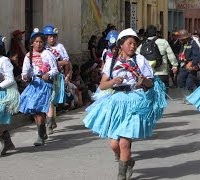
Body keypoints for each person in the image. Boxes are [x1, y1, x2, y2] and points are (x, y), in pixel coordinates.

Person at [83, 28, 165, 180]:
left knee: (124, 143)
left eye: (135, 43)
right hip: (116, 101)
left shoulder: (140, 60)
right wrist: (113, 81)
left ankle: (121, 175)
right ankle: (128, 161)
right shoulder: (112, 61)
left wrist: (144, 81)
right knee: (114, 145)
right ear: (121, 44)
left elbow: (150, 83)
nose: (133, 46)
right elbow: (102, 86)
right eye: (130, 43)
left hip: (135, 101)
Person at [19, 28, 58, 146]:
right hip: (33, 84)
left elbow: (55, 69)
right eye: (36, 41)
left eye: (41, 42)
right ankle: (42, 131)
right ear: (32, 43)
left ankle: (40, 136)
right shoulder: (28, 56)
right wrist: (25, 77)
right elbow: (25, 72)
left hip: (45, 85)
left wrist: (48, 74)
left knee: (39, 109)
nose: (38, 44)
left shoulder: (47, 54)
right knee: (34, 110)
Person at [43, 24, 71, 134]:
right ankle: (49, 123)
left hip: (57, 76)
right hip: (45, 77)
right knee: (48, 99)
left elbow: (66, 61)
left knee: (53, 99)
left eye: (54, 36)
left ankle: (51, 120)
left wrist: (54, 63)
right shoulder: (43, 47)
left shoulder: (59, 47)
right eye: (49, 36)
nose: (52, 38)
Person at [136, 25, 178, 92]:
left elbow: (137, 56)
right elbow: (170, 55)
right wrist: (174, 65)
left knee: (151, 96)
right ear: (156, 33)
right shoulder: (163, 42)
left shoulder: (143, 44)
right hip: (162, 73)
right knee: (163, 96)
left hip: (149, 75)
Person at [177, 29, 200, 103]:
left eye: (182, 39)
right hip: (184, 65)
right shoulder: (183, 45)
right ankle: (186, 96)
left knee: (189, 82)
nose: (181, 40)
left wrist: (193, 63)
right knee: (180, 80)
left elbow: (197, 55)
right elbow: (181, 54)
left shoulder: (193, 43)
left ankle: (190, 97)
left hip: (192, 66)